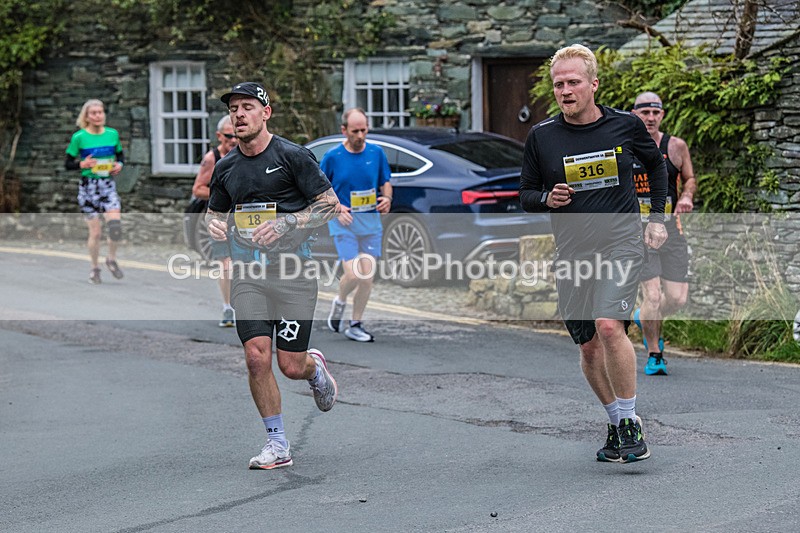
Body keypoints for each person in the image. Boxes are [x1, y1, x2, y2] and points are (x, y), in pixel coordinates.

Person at [519, 44, 668, 464]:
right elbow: (525, 194)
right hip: (572, 254)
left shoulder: (624, 126)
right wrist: (549, 197)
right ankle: (615, 421)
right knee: (587, 346)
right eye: (559, 84)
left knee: (608, 326)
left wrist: (656, 218)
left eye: (573, 82)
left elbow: (656, 167)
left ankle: (631, 421)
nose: (565, 90)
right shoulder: (542, 137)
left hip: (620, 242)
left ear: (593, 84)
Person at [206, 82, 341, 470]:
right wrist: (216, 228)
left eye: (247, 107)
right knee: (255, 357)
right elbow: (215, 213)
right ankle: (277, 443)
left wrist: (286, 223)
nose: (239, 114)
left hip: (293, 272)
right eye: (234, 109)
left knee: (290, 365)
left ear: (266, 112)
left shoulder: (292, 157)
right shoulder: (226, 166)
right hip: (248, 273)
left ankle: (313, 369)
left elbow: (329, 206)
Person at [630, 92, 697, 376]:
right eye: (644, 112)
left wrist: (686, 197)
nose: (650, 117)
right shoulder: (625, 147)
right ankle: (655, 354)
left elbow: (690, 178)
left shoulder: (676, 146)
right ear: (634, 114)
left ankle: (642, 317)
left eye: (655, 112)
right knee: (654, 296)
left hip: (670, 229)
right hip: (639, 231)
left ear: (663, 115)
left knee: (677, 298)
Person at [322, 108, 393, 342]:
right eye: (355, 131)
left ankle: (355, 324)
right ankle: (340, 300)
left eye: (364, 130)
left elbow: (386, 182)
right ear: (344, 130)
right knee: (353, 275)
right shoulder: (332, 157)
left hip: (371, 225)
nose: (360, 135)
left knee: (367, 277)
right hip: (345, 223)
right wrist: (337, 208)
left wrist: (387, 199)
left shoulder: (377, 153)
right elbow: (320, 191)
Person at [65, 99, 126, 284]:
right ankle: (94, 268)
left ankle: (111, 259)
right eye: (94, 113)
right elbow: (67, 163)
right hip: (88, 187)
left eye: (100, 112)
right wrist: (81, 164)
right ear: (87, 116)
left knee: (115, 228)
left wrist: (119, 165)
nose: (98, 115)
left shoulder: (112, 134)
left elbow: (120, 155)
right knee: (96, 233)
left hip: (107, 185)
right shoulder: (79, 137)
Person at [191, 115, 239, 327]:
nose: (233, 140)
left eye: (236, 135)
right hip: (219, 218)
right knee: (226, 264)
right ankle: (228, 308)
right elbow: (198, 189)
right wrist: (222, 193)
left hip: (242, 220)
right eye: (229, 136)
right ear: (219, 136)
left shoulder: (246, 154)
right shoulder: (212, 158)